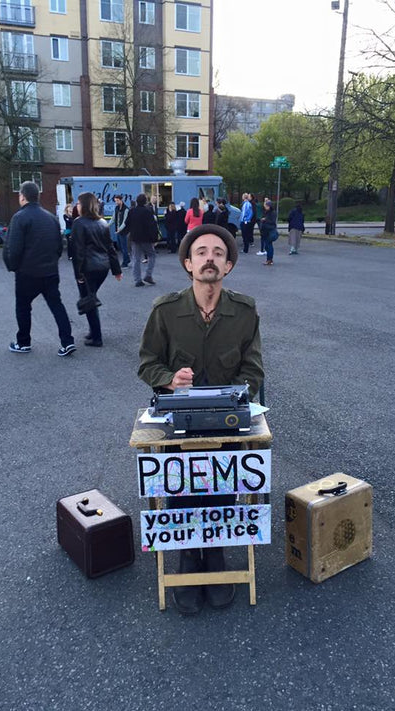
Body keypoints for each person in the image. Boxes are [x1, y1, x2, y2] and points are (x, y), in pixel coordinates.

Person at [138, 223, 264, 615]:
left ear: (227, 266)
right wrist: (168, 380)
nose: (210, 258)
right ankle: (188, 553)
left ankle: (214, 551)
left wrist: (235, 399)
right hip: (177, 420)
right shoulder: (165, 310)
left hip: (226, 422)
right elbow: (147, 362)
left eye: (218, 253)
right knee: (179, 488)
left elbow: (254, 371)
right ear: (189, 263)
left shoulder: (244, 312)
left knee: (223, 488)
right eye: (202, 252)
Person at [3, 181, 76, 357]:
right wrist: (52, 262)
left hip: (27, 273)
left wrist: (12, 267)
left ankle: (23, 342)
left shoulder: (19, 218)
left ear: (22, 196)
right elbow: (59, 245)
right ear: (38, 196)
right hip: (50, 272)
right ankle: (67, 342)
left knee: (23, 306)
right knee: (56, 305)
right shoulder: (50, 217)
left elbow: (13, 248)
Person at [71, 192, 122, 347]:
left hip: (88, 268)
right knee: (90, 298)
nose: (76, 206)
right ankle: (93, 332)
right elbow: (110, 248)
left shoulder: (79, 223)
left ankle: (97, 337)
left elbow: (77, 251)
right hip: (103, 267)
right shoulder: (102, 222)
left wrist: (78, 273)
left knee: (89, 300)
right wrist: (116, 270)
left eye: (78, 203)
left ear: (84, 205)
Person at [125, 192, 158, 287]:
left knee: (136, 259)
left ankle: (137, 280)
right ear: (145, 202)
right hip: (146, 238)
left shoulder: (132, 211)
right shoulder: (148, 211)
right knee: (152, 255)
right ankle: (148, 275)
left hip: (135, 238)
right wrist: (154, 238)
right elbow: (152, 226)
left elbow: (127, 224)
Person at [109, 195, 130, 267]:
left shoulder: (126, 209)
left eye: (117, 200)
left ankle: (125, 263)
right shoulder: (116, 208)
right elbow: (113, 218)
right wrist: (107, 225)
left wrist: (120, 229)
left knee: (124, 247)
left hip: (123, 231)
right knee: (119, 246)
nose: (116, 202)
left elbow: (125, 221)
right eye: (115, 201)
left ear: (121, 200)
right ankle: (127, 258)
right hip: (118, 230)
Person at [259, 200, 277, 266]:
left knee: (269, 245)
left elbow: (272, 222)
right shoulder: (266, 212)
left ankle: (269, 259)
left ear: (269, 206)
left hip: (269, 231)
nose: (265, 206)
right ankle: (269, 259)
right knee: (267, 246)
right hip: (265, 231)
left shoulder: (272, 213)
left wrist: (265, 220)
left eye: (266, 205)